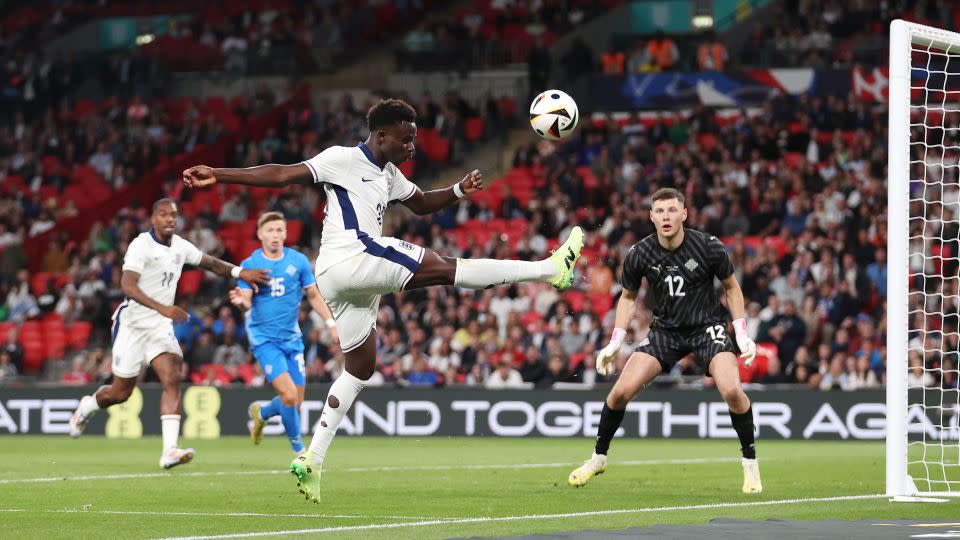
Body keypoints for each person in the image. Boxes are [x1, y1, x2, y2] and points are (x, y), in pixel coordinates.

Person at [182, 98, 585, 503]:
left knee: (360, 367)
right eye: (406, 139)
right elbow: (283, 174)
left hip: (338, 278)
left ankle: (313, 459)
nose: (413, 147)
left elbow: (423, 203)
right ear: (380, 136)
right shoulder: (341, 159)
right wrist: (217, 173)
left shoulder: (389, 174)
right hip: (353, 256)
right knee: (446, 267)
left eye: (415, 140)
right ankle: (549, 270)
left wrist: (459, 190)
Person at [567, 188, 761, 494]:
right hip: (665, 332)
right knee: (619, 393)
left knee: (732, 391)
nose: (666, 216)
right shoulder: (639, 253)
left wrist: (741, 331)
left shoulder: (709, 246)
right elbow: (628, 297)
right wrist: (616, 340)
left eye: (672, 210)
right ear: (651, 216)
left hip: (707, 327)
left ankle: (750, 465)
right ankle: (598, 458)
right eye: (660, 211)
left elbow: (731, 287)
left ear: (684, 214)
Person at [68, 199, 270, 469]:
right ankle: (87, 406)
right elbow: (127, 286)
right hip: (133, 325)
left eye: (173, 215)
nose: (169, 219)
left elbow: (209, 263)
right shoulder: (141, 245)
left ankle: (170, 450)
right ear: (153, 219)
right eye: (163, 214)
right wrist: (163, 307)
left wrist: (239, 271)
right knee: (120, 393)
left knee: (173, 376)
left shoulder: (180, 246)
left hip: (159, 327)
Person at [230, 211, 339, 455]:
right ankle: (300, 451)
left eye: (279, 230)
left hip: (292, 339)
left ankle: (263, 413)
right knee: (288, 396)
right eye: (270, 230)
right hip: (264, 340)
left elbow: (313, 295)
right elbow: (246, 300)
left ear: (286, 233)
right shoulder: (250, 265)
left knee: (295, 402)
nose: (275, 235)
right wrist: (240, 301)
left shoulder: (298, 262)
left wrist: (331, 324)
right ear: (260, 235)